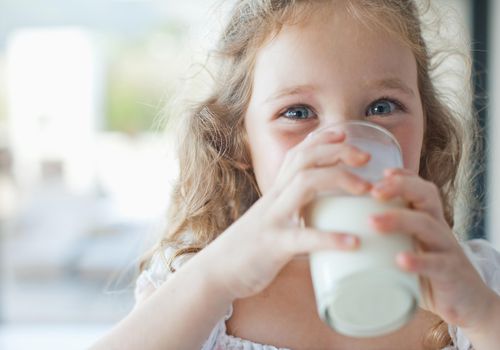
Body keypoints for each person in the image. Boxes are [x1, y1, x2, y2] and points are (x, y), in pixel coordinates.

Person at [91, 0, 500, 349]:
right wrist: (216, 276)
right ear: (240, 143)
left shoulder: (472, 284)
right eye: (298, 113)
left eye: (382, 107)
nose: (346, 149)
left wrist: (481, 315)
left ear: (427, 126)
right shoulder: (201, 293)